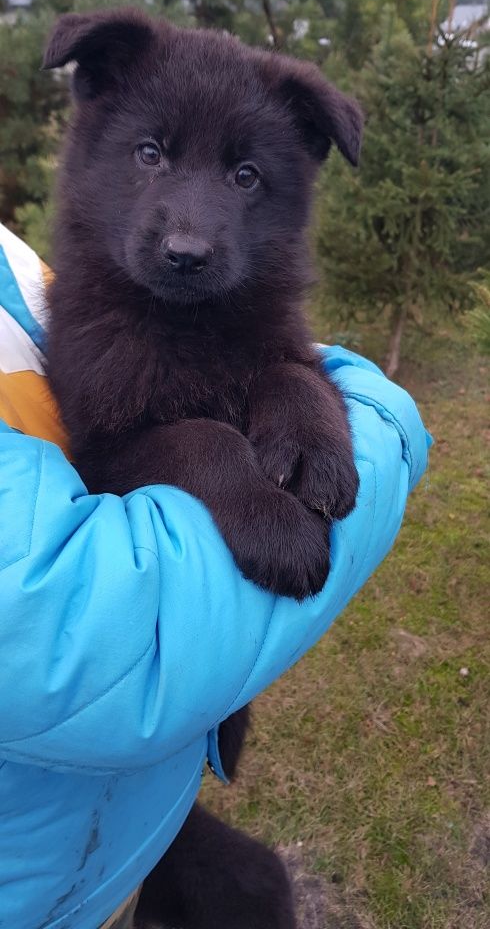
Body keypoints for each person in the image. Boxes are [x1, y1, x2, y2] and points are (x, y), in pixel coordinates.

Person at [0, 222, 431, 929]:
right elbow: (66, 631)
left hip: (117, 830)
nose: (187, 230)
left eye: (244, 171)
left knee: (251, 891)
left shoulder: (19, 261)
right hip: (40, 891)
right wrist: (378, 407)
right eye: (152, 154)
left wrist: (299, 386)